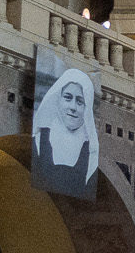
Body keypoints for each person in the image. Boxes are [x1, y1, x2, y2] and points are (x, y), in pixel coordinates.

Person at [31, 65, 98, 199]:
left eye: (80, 101)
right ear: (58, 99)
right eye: (68, 98)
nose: (73, 107)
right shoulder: (39, 139)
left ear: (87, 107)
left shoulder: (92, 151)